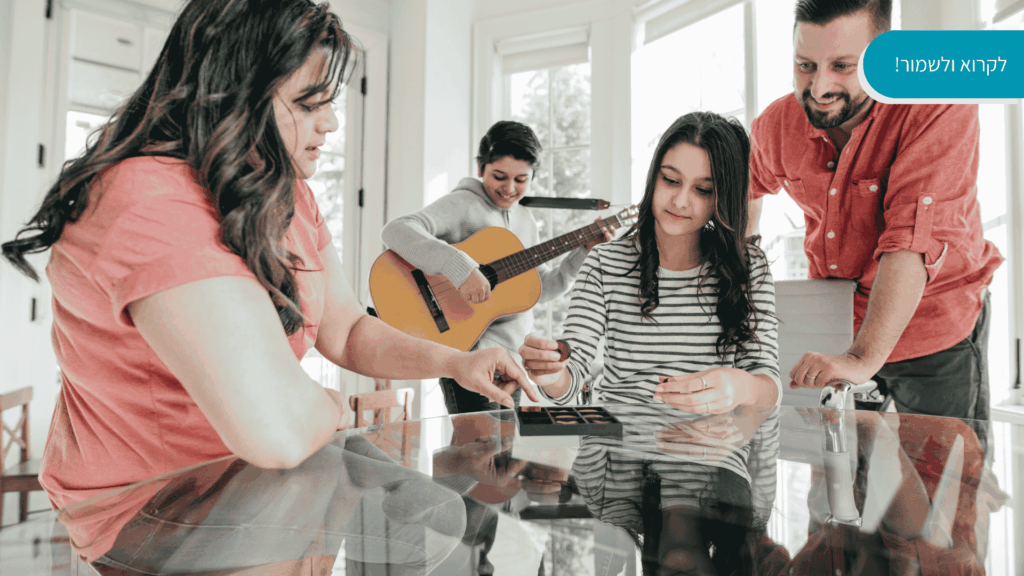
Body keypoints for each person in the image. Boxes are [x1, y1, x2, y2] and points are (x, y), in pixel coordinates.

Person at [0, 0, 539, 553]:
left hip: (258, 476)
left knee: (449, 520)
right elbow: (277, 430)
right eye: (308, 104)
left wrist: (455, 362)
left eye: (329, 102)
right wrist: (332, 408)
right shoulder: (149, 198)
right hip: (153, 505)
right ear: (232, 93)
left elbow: (348, 329)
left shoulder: (287, 190)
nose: (330, 123)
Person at [748, 0, 1002, 447]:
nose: (819, 87)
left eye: (842, 67)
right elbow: (743, 188)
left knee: (945, 482)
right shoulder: (777, 125)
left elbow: (911, 237)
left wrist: (862, 358)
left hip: (933, 330)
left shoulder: (936, 100)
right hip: (836, 327)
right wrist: (744, 266)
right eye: (805, 65)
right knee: (833, 478)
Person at [519, 112, 781, 413]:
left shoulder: (750, 266)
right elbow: (571, 378)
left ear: (722, 197)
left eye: (703, 190)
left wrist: (741, 386)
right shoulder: (604, 263)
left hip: (711, 438)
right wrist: (551, 374)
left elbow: (769, 386)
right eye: (670, 180)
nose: (680, 201)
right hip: (620, 437)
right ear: (653, 177)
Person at [380, 120, 612, 414]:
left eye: (521, 179)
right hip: (470, 354)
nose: (509, 188)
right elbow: (396, 230)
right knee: (479, 440)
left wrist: (583, 252)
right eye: (499, 176)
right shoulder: (463, 204)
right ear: (480, 168)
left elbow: (540, 289)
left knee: (501, 442)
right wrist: (459, 267)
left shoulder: (526, 221)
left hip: (511, 359)